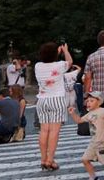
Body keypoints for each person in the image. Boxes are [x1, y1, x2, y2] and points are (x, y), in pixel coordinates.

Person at [35, 41, 73, 170]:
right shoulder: (60, 65)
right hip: (56, 99)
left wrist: (57, 52)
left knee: (44, 130)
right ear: (56, 53)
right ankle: (50, 160)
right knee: (54, 131)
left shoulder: (37, 66)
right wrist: (65, 51)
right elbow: (70, 62)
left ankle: (43, 159)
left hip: (42, 100)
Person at [68, 91, 104, 180]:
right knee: (85, 160)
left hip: (103, 142)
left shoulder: (103, 111)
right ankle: (93, 176)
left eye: (92, 101)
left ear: (99, 101)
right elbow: (79, 121)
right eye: (88, 101)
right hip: (94, 142)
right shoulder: (89, 114)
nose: (88, 103)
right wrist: (72, 113)